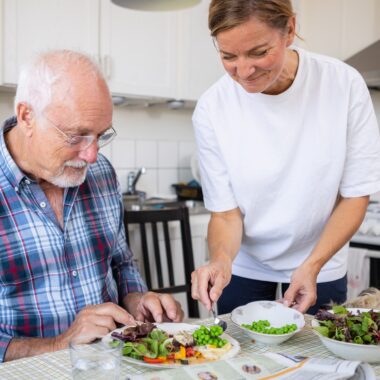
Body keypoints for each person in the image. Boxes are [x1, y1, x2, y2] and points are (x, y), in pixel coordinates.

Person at [191, 0, 380, 315]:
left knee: (319, 358)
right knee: (237, 358)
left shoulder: (342, 84)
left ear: (290, 30)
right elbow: (225, 214)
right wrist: (221, 261)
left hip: (323, 259)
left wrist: (313, 265)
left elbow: (354, 195)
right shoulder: (213, 108)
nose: (244, 71)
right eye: (228, 56)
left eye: (258, 52)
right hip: (246, 264)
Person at [0, 50, 183, 362]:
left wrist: (137, 299)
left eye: (100, 135)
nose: (92, 156)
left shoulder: (100, 173)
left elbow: (121, 262)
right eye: (76, 136)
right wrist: (61, 343)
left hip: (115, 362)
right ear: (27, 116)